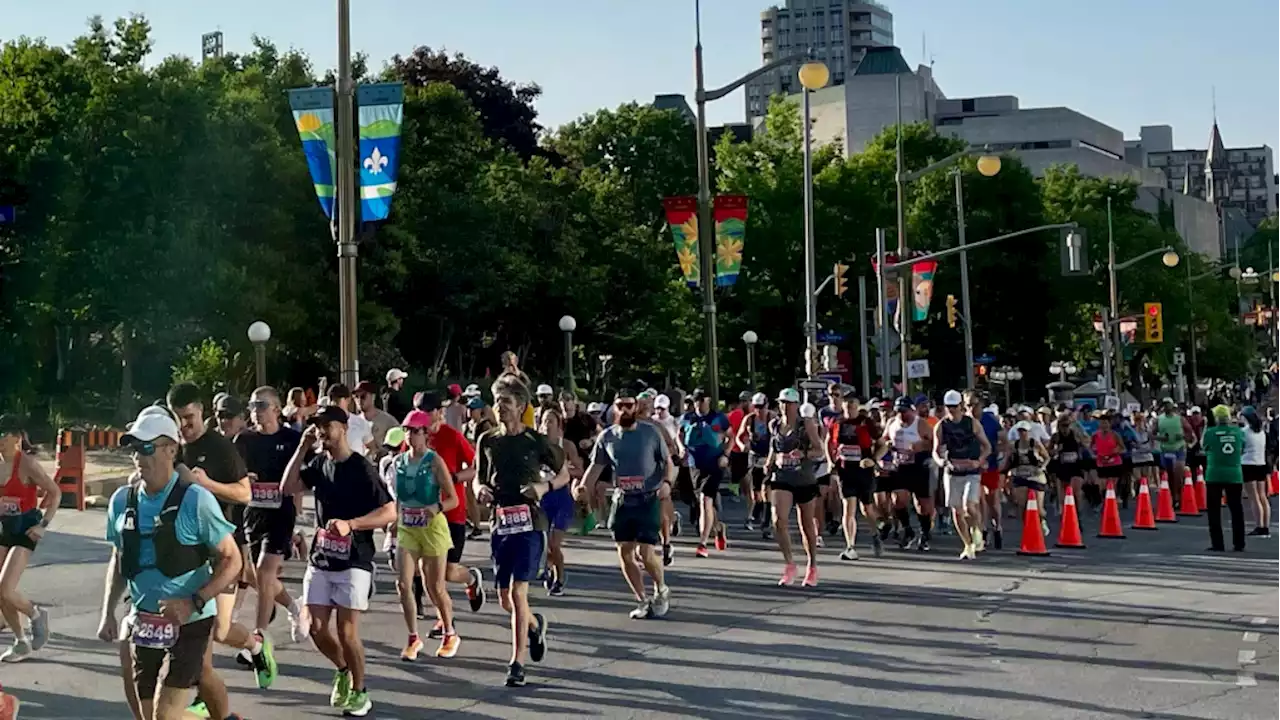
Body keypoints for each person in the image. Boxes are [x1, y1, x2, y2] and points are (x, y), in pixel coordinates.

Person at [97, 407, 245, 720]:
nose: (139, 457)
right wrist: (108, 611)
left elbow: (232, 560)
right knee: (147, 715)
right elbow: (120, 557)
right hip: (144, 619)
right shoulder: (122, 500)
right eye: (135, 448)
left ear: (171, 450)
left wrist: (193, 601)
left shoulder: (194, 499)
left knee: (166, 716)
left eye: (147, 448)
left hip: (191, 619)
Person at [166, 381, 277, 716]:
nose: (185, 426)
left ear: (201, 412)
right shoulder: (171, 447)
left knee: (220, 630)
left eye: (190, 418)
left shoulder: (219, 447)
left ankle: (257, 645)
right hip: (187, 554)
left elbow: (244, 494)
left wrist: (206, 483)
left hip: (224, 550)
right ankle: (205, 697)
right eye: (179, 419)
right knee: (200, 637)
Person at [282, 405, 395, 717]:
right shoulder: (319, 463)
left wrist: (352, 524)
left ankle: (361, 692)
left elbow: (389, 511)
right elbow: (287, 487)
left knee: (347, 632)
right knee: (317, 629)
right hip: (321, 558)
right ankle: (343, 669)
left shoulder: (361, 468)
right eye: (317, 426)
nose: (321, 432)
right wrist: (302, 446)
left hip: (354, 559)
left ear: (343, 428)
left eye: (326, 426)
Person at [473, 373, 565, 687]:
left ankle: (516, 664)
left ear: (521, 405)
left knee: (517, 591)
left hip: (530, 521)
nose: (500, 408)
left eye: (506, 402)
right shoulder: (488, 440)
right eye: (497, 402)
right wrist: (479, 490)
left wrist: (544, 486)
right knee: (504, 599)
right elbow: (478, 477)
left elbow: (563, 474)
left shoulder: (535, 441)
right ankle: (535, 626)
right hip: (501, 520)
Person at [581, 387, 673, 619]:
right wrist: (582, 486)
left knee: (645, 551)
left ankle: (661, 589)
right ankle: (641, 600)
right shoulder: (608, 436)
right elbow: (596, 467)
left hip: (648, 498)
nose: (624, 410)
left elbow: (668, 462)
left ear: (636, 407)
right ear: (614, 408)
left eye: (628, 405)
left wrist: (667, 483)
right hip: (622, 500)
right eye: (620, 405)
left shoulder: (650, 433)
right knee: (624, 552)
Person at [232, 387, 308, 655]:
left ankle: (259, 639)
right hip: (253, 513)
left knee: (265, 573)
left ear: (277, 409)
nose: (255, 411)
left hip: (281, 513)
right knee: (258, 578)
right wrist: (243, 481)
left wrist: (298, 522)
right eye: (252, 405)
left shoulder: (291, 439)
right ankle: (295, 607)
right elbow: (232, 475)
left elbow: (300, 481)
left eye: (261, 405)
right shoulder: (243, 439)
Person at [414, 393, 487, 637]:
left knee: (446, 572)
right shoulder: (413, 436)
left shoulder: (452, 436)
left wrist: (453, 478)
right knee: (427, 570)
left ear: (438, 412)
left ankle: (471, 579)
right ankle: (443, 618)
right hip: (423, 515)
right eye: (419, 410)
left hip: (451, 512)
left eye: (427, 411)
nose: (423, 416)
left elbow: (475, 468)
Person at [391, 409, 460, 661]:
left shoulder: (434, 461)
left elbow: (452, 498)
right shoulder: (398, 462)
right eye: (407, 431)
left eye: (416, 431)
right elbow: (399, 497)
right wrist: (393, 522)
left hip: (432, 528)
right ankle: (412, 637)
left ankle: (450, 632)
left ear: (426, 434)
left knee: (435, 587)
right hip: (408, 527)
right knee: (403, 584)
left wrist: (437, 507)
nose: (410, 436)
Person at [0, 415, 59, 662]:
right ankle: (20, 641)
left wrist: (43, 525)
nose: (0, 441)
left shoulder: (26, 465)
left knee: (5, 588)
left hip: (26, 529)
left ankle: (36, 615)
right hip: (4, 528)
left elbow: (54, 493)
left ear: (17, 438)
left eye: (4, 435)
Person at [764, 388, 826, 586]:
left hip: (804, 478)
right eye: (782, 402)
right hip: (781, 476)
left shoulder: (805, 425)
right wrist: (769, 462)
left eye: (788, 403)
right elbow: (774, 448)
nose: (784, 406)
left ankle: (812, 565)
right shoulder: (774, 424)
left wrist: (804, 454)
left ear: (796, 405)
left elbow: (819, 450)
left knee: (806, 524)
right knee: (778, 520)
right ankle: (790, 564)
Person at [934, 391, 991, 561]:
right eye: (949, 407)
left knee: (969, 506)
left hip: (971, 471)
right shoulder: (941, 426)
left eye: (955, 407)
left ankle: (978, 530)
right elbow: (935, 451)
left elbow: (987, 447)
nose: (952, 410)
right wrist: (941, 462)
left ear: (961, 406)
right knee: (957, 511)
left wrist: (979, 461)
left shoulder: (972, 424)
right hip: (952, 471)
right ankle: (967, 544)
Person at [830, 395, 884, 560]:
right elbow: (828, 441)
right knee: (848, 508)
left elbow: (882, 445)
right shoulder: (838, 423)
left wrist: (873, 460)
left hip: (864, 471)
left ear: (858, 407)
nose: (849, 409)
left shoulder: (866, 423)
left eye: (852, 406)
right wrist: (831, 461)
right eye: (847, 406)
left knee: (867, 508)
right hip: (846, 471)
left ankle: (875, 534)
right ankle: (850, 546)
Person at [678, 389, 730, 558]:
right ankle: (718, 527)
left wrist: (725, 454)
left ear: (708, 401)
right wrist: (681, 449)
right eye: (697, 400)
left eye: (702, 400)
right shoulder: (688, 418)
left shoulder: (718, 418)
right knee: (703, 501)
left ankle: (703, 543)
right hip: (695, 464)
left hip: (714, 463)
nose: (700, 404)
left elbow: (731, 436)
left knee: (705, 499)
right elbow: (679, 434)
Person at [538, 407, 582, 596]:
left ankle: (560, 577)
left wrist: (562, 473)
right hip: (543, 498)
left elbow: (580, 470)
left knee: (554, 544)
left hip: (561, 498)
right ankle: (548, 568)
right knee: (544, 545)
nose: (547, 425)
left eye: (551, 421)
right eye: (544, 421)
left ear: (559, 426)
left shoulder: (567, 446)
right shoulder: (536, 445)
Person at [1202, 405, 1246, 552]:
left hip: (1214, 474)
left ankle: (1217, 543)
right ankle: (1239, 542)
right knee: (1236, 509)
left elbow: (1204, 446)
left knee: (1214, 510)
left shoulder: (1210, 432)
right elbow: (1243, 448)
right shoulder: (1238, 432)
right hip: (1234, 474)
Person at [1240, 406, 1270, 537]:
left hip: (1248, 464)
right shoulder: (1261, 432)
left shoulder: (1244, 432)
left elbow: (1241, 448)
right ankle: (1265, 526)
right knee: (1262, 496)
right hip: (1261, 463)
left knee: (1253, 497)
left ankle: (1258, 525)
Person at [353, 381, 398, 460]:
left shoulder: (388, 421)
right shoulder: (353, 422)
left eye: (363, 396)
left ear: (373, 397)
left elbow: (400, 445)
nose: (359, 400)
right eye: (356, 396)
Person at [327, 384, 375, 457]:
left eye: (337, 399)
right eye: (331, 399)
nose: (333, 403)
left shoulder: (360, 423)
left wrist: (362, 462)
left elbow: (372, 447)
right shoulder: (323, 424)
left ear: (348, 400)